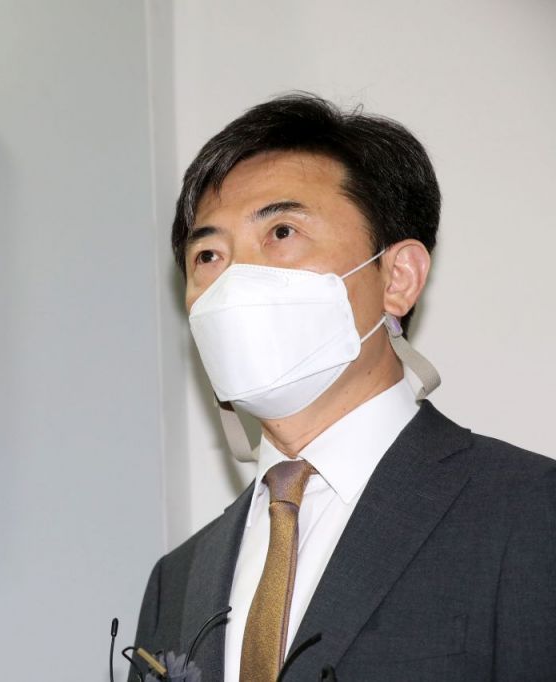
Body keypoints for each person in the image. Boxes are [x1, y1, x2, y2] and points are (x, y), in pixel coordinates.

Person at [128, 94, 556, 681]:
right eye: (208, 255)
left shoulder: (531, 514)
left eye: (281, 232)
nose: (235, 282)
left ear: (397, 277)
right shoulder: (175, 581)